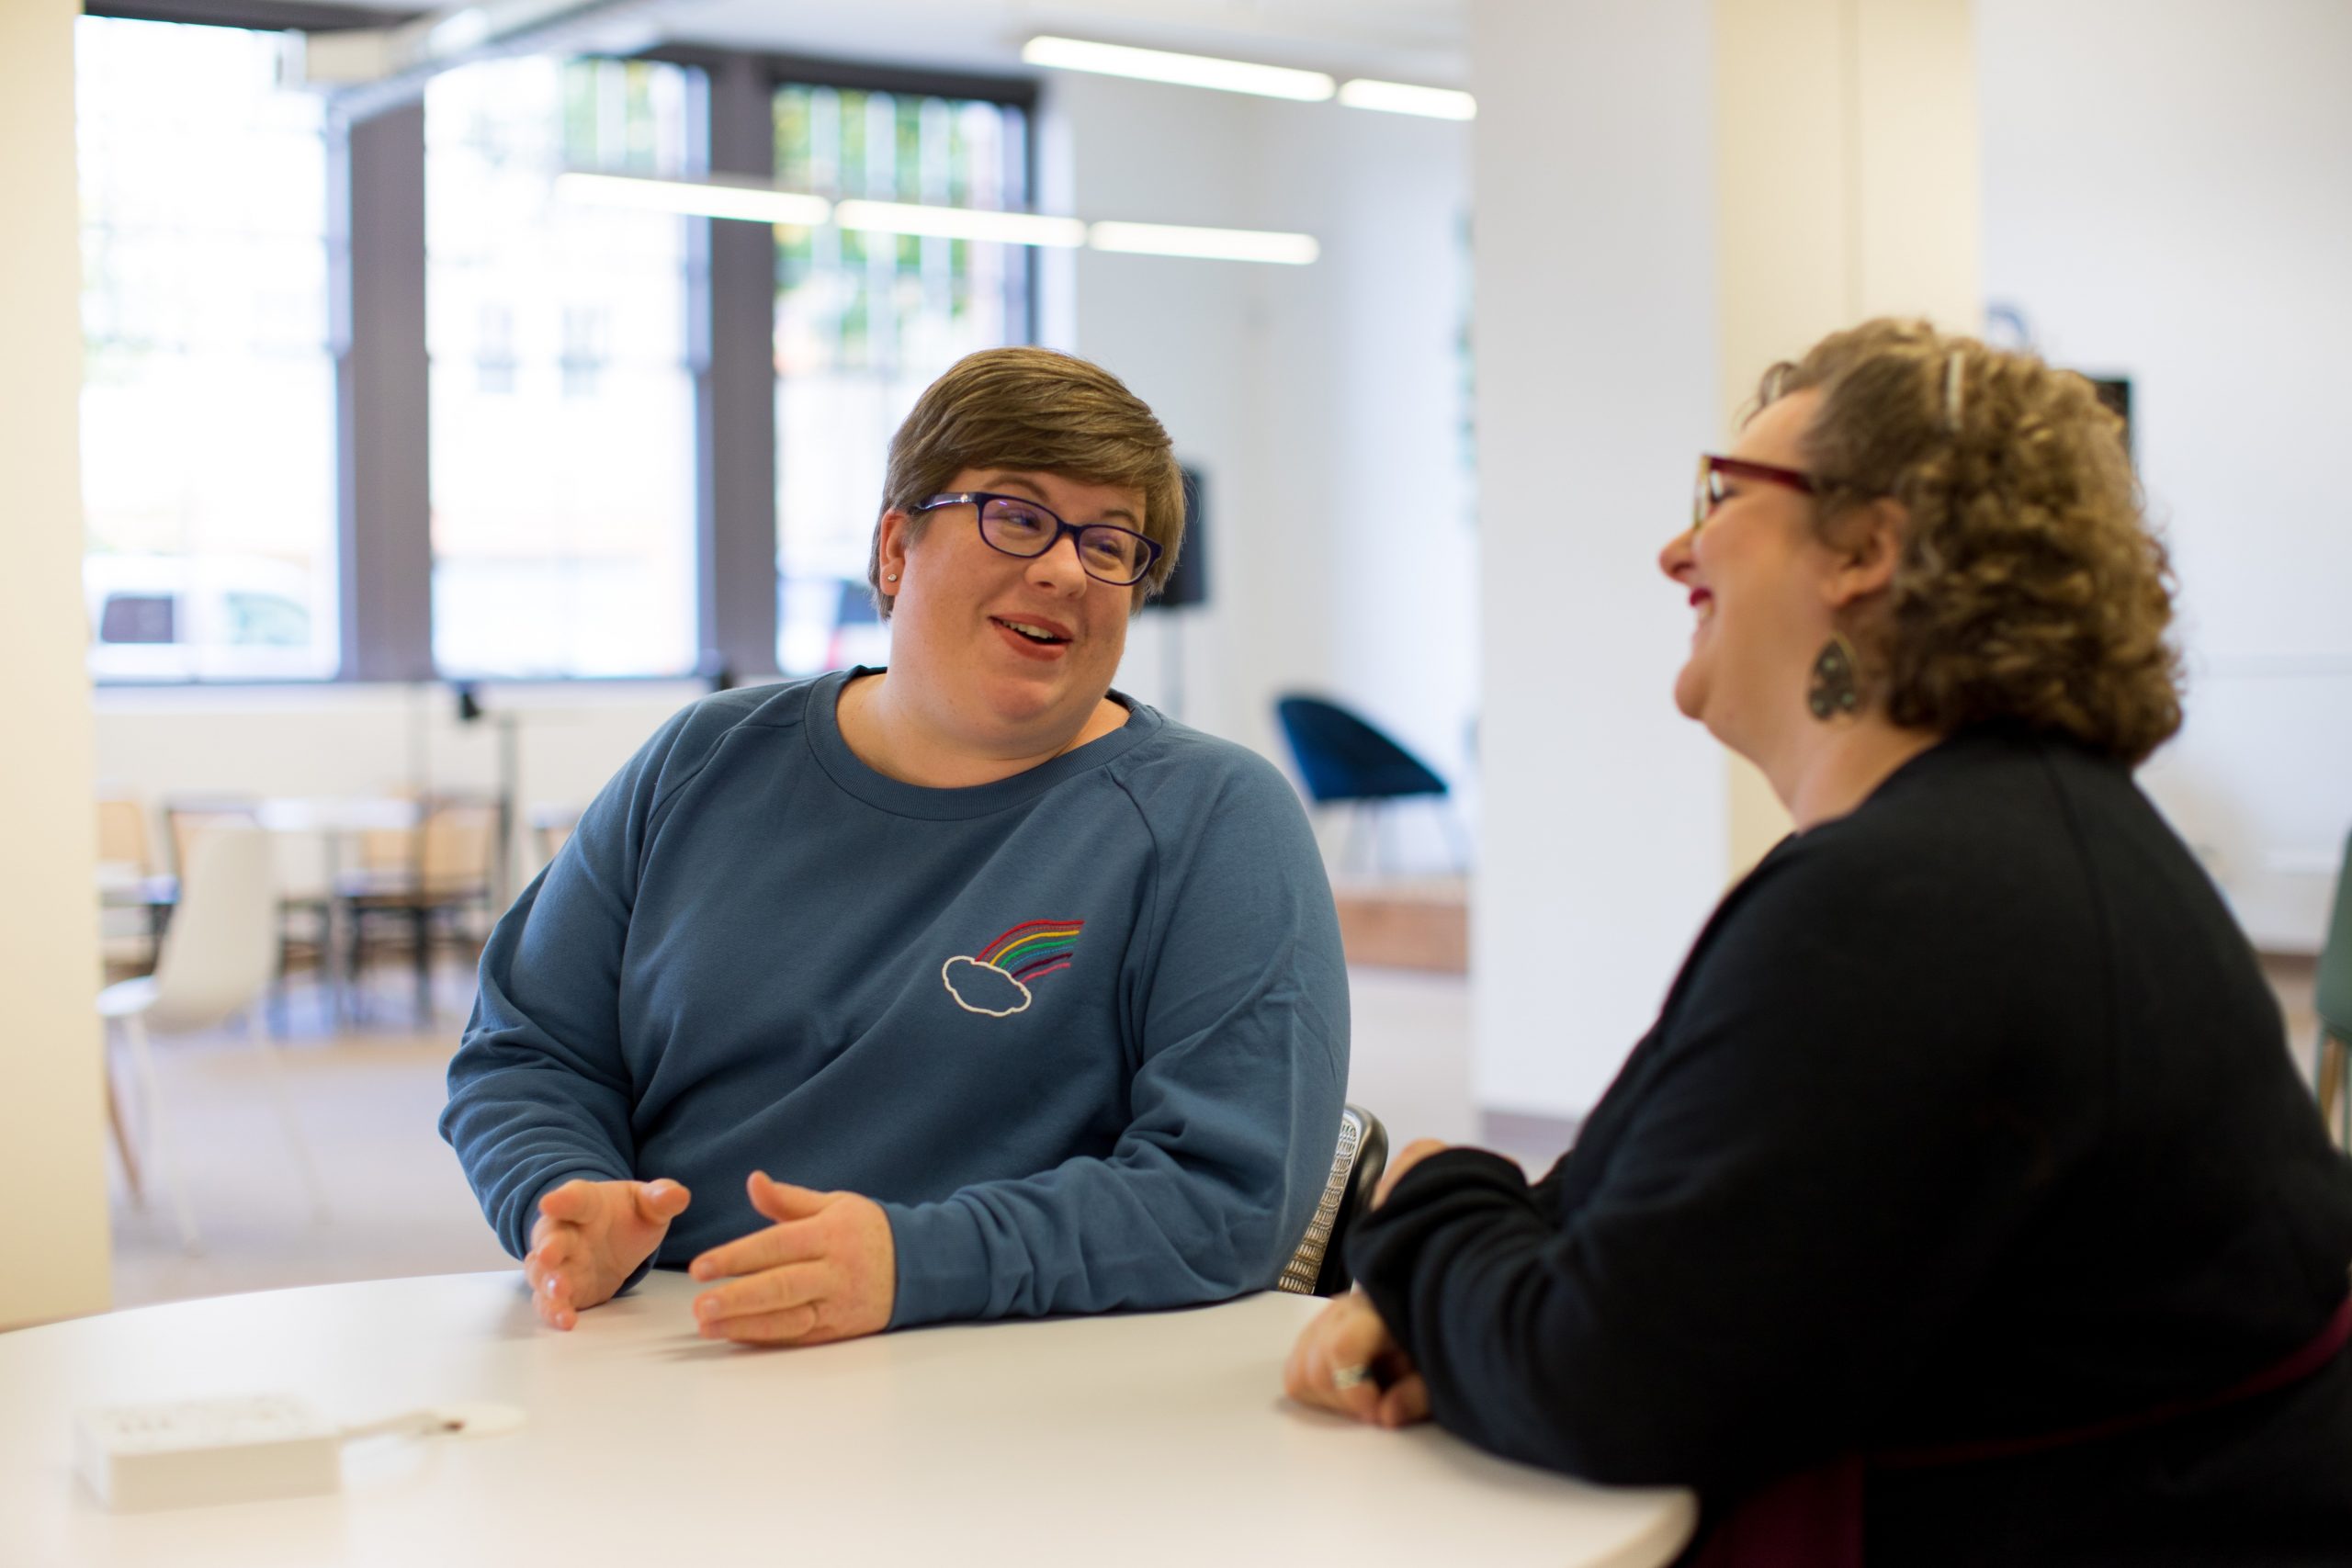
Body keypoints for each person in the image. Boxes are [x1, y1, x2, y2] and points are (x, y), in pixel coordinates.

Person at [1283, 319, 2352, 1563]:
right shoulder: (2004, 834)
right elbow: (1627, 1224)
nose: (1677, 546)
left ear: (1866, 548)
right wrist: (1461, 1285)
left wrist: (1422, 1200)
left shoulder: (1918, 898)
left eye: (1722, 496)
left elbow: (1603, 1383)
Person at [444, 346, 1347, 1348]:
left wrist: (918, 1262)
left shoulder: (1212, 821)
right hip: (665, 1354)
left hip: (1005, 1389)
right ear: (893, 548)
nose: (1061, 568)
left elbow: (1233, 1195)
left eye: (1108, 545)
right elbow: (530, 1046)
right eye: (1016, 516)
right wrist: (562, 1193)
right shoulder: (706, 760)